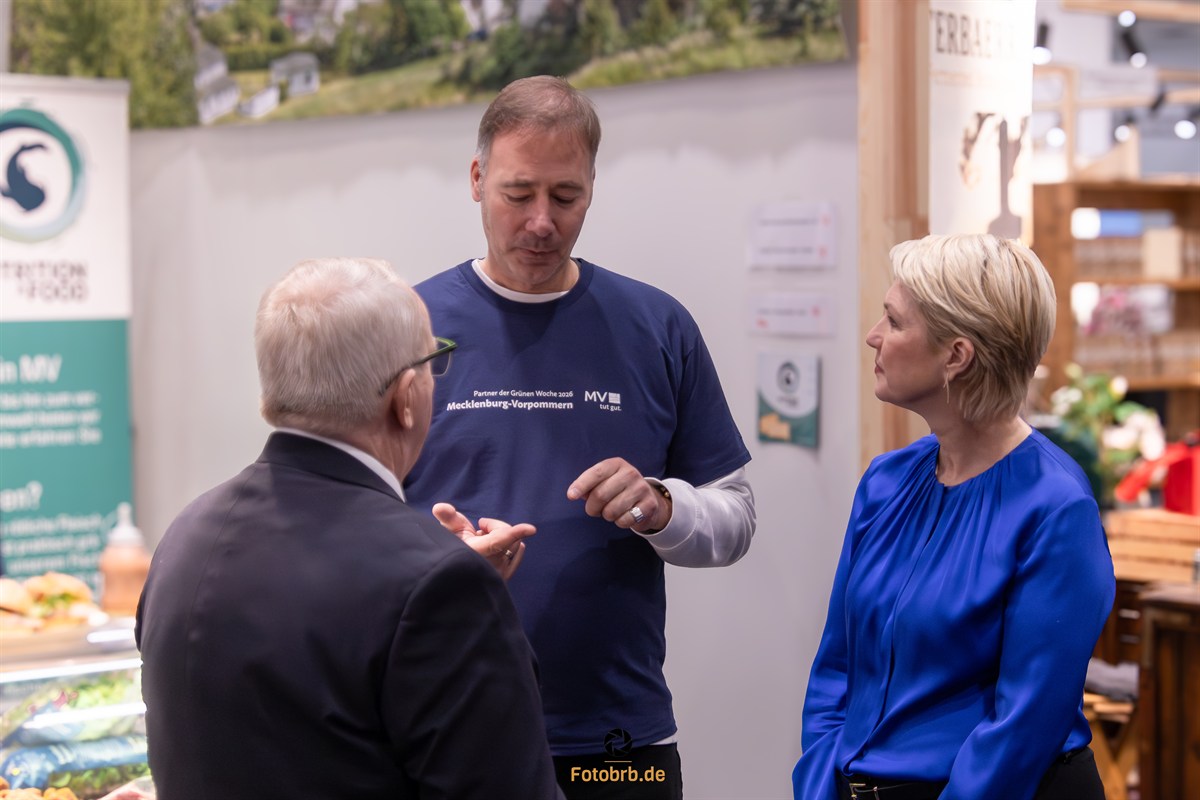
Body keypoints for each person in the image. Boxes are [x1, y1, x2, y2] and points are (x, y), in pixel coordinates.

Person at [404, 75, 756, 799]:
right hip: (441, 728)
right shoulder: (405, 327)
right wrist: (429, 559)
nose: (541, 222)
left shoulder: (657, 327)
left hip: (618, 745)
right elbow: (347, 518)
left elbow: (737, 520)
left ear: (593, 187)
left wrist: (662, 506)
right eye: (518, 194)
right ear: (477, 180)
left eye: (565, 197)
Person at [135, 257, 562, 799]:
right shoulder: (440, 585)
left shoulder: (186, 533)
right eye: (433, 365)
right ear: (405, 399)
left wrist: (439, 587)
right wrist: (451, 592)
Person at [792, 234, 1115, 800]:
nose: (873, 335)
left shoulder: (1055, 507)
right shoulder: (886, 482)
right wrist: (820, 783)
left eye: (894, 321)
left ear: (956, 356)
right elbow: (837, 668)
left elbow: (1024, 726)